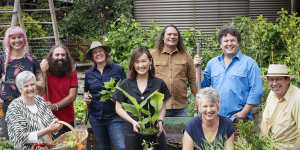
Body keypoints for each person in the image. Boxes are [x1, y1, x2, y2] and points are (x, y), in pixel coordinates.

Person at [194, 26, 263, 122]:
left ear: (238, 43)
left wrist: (243, 113)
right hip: (215, 118)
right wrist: (198, 69)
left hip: (238, 119)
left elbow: (256, 91)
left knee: (238, 137)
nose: (229, 44)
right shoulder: (213, 63)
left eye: (232, 40)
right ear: (220, 45)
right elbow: (202, 85)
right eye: (226, 41)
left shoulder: (249, 64)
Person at [112, 47, 171, 150]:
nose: (141, 65)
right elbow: (118, 108)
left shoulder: (159, 83)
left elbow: (163, 106)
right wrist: (132, 121)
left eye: (144, 61)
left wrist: (160, 120)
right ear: (133, 64)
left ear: (150, 62)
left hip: (154, 130)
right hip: (133, 131)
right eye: (137, 62)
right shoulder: (125, 84)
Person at [0, 26, 41, 140]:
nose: (17, 40)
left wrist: (32, 86)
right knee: (10, 138)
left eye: (19, 37)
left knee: (29, 138)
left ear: (24, 39)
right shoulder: (3, 59)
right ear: (8, 40)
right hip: (7, 104)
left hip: (27, 104)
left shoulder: (31, 59)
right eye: (13, 38)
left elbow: (41, 80)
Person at [83, 41, 126, 150]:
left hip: (115, 116)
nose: (98, 54)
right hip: (96, 117)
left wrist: (118, 97)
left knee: (121, 147)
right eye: (95, 52)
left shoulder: (118, 69)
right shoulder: (89, 73)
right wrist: (86, 97)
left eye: (100, 51)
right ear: (92, 57)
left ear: (105, 53)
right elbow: (86, 91)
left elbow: (126, 90)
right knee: (103, 147)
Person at [5, 71, 62, 149]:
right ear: (20, 89)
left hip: (47, 147)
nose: (30, 88)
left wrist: (57, 124)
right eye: (26, 86)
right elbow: (22, 137)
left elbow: (51, 119)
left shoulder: (40, 100)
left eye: (32, 84)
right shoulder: (14, 108)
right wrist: (48, 129)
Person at [151, 24, 197, 117]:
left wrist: (198, 98)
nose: (172, 37)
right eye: (169, 34)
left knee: (180, 131)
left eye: (175, 35)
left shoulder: (185, 55)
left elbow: (192, 79)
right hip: (159, 106)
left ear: (178, 38)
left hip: (181, 107)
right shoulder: (153, 55)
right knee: (160, 131)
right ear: (163, 37)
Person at [39, 44, 78, 137]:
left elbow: (72, 96)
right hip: (49, 118)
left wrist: (55, 106)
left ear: (67, 57)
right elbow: (40, 91)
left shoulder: (72, 71)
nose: (60, 57)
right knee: (52, 145)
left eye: (63, 55)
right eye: (57, 55)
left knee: (68, 145)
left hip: (67, 118)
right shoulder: (46, 71)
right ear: (51, 57)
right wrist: (43, 72)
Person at [261, 64, 300, 150]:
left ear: (287, 80)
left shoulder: (297, 99)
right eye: (271, 80)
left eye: (278, 79)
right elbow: (265, 121)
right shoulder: (272, 94)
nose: (274, 83)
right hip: (269, 146)